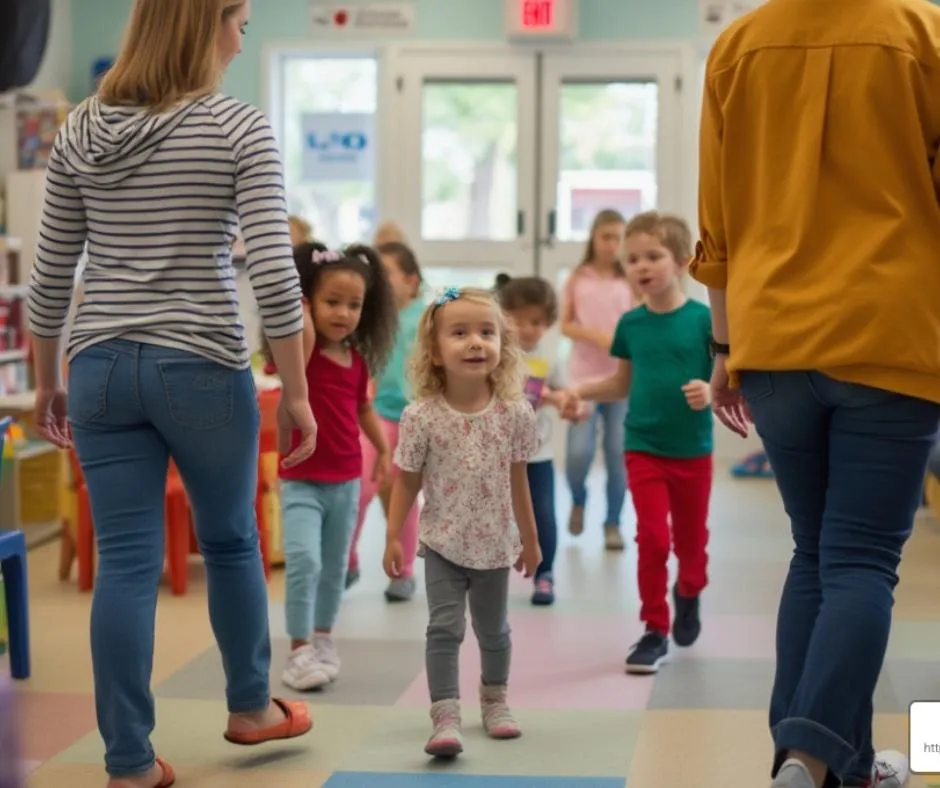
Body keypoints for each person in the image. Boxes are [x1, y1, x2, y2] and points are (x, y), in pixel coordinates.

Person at [26, 2, 317, 786]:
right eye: (240, 24)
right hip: (199, 361)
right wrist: (296, 392)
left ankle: (128, 763)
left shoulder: (82, 127)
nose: (239, 38)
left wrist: (49, 380)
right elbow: (277, 269)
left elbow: (51, 273)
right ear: (207, 26)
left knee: (124, 562)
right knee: (228, 541)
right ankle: (251, 708)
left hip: (99, 367)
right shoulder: (235, 125)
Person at [691, 0, 940, 785]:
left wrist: (726, 343)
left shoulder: (737, 44)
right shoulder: (923, 32)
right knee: (862, 560)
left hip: (773, 338)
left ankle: (843, 766)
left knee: (816, 556)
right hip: (890, 331)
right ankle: (809, 752)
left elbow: (717, 224)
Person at [382, 286, 541, 758]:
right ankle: (445, 714)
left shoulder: (515, 413)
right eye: (460, 333)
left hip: (494, 546)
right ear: (433, 351)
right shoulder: (421, 417)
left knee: (494, 631)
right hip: (442, 545)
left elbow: (520, 483)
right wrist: (394, 536)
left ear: (502, 345)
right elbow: (406, 483)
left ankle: (495, 701)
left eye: (487, 332)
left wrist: (530, 543)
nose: (476, 342)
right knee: (443, 629)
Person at [560, 212, 713, 675]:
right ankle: (653, 628)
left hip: (693, 452)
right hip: (642, 446)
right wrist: (582, 390)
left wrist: (710, 391)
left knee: (691, 547)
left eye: (653, 256)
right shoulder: (631, 324)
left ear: (683, 261)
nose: (640, 266)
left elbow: (727, 380)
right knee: (650, 537)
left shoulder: (705, 320)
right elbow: (622, 383)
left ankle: (688, 591)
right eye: (632, 259)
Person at [278, 242, 397, 691]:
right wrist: (300, 306)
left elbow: (364, 410)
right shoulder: (300, 354)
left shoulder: (357, 361)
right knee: (304, 560)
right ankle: (298, 650)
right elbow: (298, 329)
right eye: (331, 302)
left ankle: (324, 639)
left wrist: (383, 451)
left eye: (354, 305)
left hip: (346, 479)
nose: (343, 313)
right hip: (301, 480)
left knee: (333, 566)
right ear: (308, 302)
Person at [347, 241, 425, 600]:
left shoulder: (427, 318)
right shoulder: (369, 317)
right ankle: (346, 561)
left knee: (402, 499)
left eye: (387, 273)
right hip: (373, 416)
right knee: (358, 488)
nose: (378, 280)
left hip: (412, 421)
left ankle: (402, 572)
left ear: (411, 281)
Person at [560, 209, 634, 550]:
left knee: (618, 453)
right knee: (579, 452)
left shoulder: (630, 279)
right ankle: (578, 499)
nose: (611, 245)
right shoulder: (579, 277)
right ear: (593, 238)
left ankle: (613, 523)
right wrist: (597, 336)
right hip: (583, 379)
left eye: (618, 238)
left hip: (621, 379)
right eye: (606, 237)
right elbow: (565, 324)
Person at [495, 273, 564, 606]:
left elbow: (565, 393)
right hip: (496, 455)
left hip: (538, 454)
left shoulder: (551, 359)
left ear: (548, 323)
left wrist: (568, 401)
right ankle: (485, 573)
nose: (528, 329)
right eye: (519, 321)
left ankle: (545, 574)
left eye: (536, 322)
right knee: (492, 514)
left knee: (543, 513)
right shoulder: (494, 355)